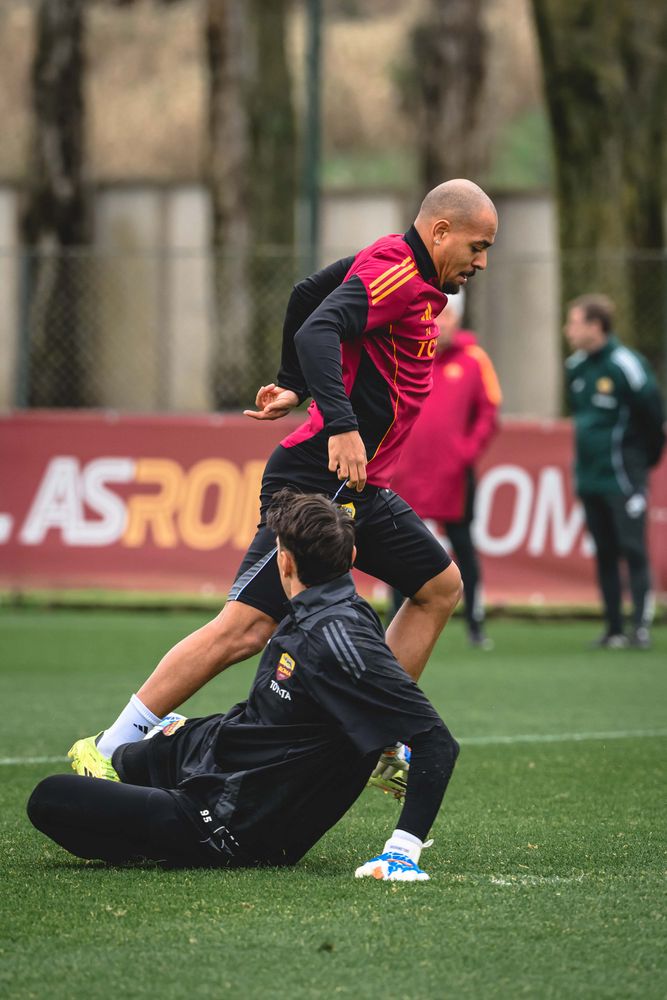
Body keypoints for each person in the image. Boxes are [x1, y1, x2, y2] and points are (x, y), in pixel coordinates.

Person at [68, 178, 497, 774]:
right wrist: (340, 424)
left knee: (439, 588)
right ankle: (110, 745)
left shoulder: (399, 266)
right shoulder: (398, 273)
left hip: (361, 488)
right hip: (315, 481)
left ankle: (373, 731)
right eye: (477, 247)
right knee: (246, 628)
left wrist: (293, 383)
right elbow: (317, 327)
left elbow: (305, 295)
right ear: (440, 231)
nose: (481, 262)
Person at [29, 491, 460, 881]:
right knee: (124, 759)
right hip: (222, 756)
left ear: (284, 562)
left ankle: (166, 832)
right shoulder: (334, 609)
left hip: (226, 822)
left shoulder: (336, 637)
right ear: (351, 556)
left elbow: (436, 741)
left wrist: (402, 850)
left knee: (49, 798)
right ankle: (165, 764)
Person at [390, 289, 501, 648]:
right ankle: (393, 623)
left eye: (448, 316)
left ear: (458, 320)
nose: (440, 323)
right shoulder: (406, 355)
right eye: (435, 316)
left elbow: (489, 412)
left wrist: (464, 453)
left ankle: (475, 624)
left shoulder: (474, 360)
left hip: (454, 475)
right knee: (397, 547)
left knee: (464, 547)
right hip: (407, 471)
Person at [564, 293, 665, 649]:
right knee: (604, 551)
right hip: (590, 477)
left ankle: (639, 627)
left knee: (632, 548)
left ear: (596, 326)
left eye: (574, 322)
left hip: (623, 477)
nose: (568, 330)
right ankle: (613, 628)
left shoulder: (626, 364)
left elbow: (654, 416)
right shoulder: (575, 366)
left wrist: (641, 462)